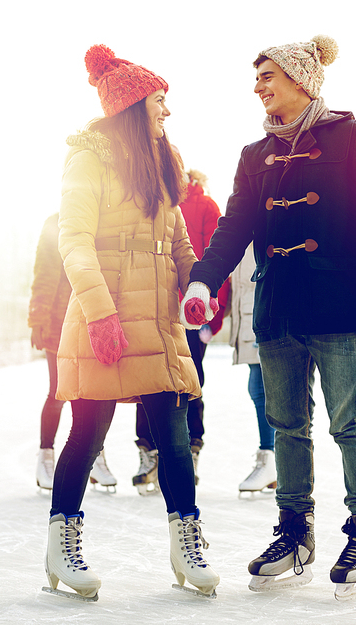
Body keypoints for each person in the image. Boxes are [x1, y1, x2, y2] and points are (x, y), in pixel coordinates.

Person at [180, 35, 356, 599]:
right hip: (277, 309)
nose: (258, 88)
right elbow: (233, 228)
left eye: (267, 77)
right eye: (256, 79)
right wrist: (204, 277)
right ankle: (295, 532)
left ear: (302, 80)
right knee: (286, 424)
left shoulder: (352, 137)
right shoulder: (255, 156)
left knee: (348, 422)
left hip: (337, 303)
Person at [44, 44, 219, 601]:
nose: (168, 112)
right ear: (133, 104)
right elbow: (73, 240)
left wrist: (194, 285)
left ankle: (186, 543)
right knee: (89, 430)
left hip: (158, 317)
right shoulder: (89, 158)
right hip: (109, 311)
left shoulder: (164, 159)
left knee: (172, 432)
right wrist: (99, 314)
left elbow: (181, 239)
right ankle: (61, 546)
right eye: (160, 101)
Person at [133, 169, 229, 493]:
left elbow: (215, 262)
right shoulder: (149, 201)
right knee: (146, 377)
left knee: (189, 380)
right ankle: (148, 451)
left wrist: (212, 319)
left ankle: (190, 448)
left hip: (191, 313)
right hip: (153, 307)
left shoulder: (206, 207)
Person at [28, 213, 116, 492]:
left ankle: (95, 457)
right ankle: (46, 457)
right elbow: (43, 273)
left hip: (91, 318)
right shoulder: (56, 223)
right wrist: (38, 318)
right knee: (58, 391)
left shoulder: (103, 220)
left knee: (93, 392)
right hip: (58, 321)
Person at [229, 242, 276, 497]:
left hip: (263, 313)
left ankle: (271, 458)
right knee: (258, 389)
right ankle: (271, 459)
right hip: (248, 316)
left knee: (263, 389)